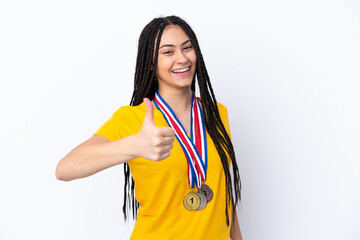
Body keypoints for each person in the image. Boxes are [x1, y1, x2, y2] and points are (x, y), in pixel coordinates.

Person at [56, 15, 243, 240]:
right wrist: (133, 145)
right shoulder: (133, 119)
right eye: (168, 52)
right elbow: (65, 169)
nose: (182, 58)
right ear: (152, 62)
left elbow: (225, 193)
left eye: (187, 48)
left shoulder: (216, 113)